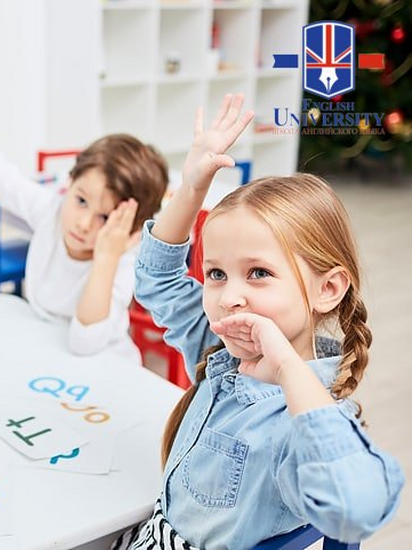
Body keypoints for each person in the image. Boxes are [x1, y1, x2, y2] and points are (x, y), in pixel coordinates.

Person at [116, 94, 404, 549]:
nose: (230, 298)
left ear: (328, 289)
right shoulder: (222, 349)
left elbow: (356, 509)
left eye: (259, 273)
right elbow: (157, 280)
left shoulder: (297, 421)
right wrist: (191, 189)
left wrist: (288, 368)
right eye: (216, 274)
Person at [0, 54, 169, 364]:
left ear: (130, 229)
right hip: (49, 354)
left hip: (106, 367)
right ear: (69, 183)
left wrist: (106, 258)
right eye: (81, 201)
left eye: (105, 217)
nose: (84, 223)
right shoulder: (52, 211)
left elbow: (85, 343)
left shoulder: (123, 259)